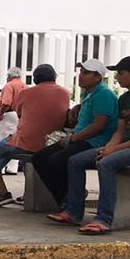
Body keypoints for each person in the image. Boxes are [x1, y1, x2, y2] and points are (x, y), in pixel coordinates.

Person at [50, 56, 130, 234]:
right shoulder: (124, 99)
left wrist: (114, 150)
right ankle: (73, 213)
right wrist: (108, 148)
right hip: (125, 147)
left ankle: (103, 219)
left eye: (121, 73)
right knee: (75, 161)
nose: (117, 77)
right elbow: (119, 131)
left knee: (106, 163)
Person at [32, 59, 117, 208]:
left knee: (57, 160)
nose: (81, 76)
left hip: (95, 141)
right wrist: (77, 107)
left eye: (86, 73)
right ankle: (66, 196)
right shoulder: (89, 93)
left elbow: (99, 125)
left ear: (98, 77)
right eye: (80, 72)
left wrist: (74, 138)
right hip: (80, 138)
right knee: (39, 158)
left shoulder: (104, 94)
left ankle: (72, 199)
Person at [0, 63, 70, 205]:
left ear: (36, 79)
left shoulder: (25, 93)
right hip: (53, 143)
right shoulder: (65, 93)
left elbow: (19, 113)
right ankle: (26, 193)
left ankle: (3, 193)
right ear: (54, 77)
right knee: (26, 158)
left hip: (26, 142)